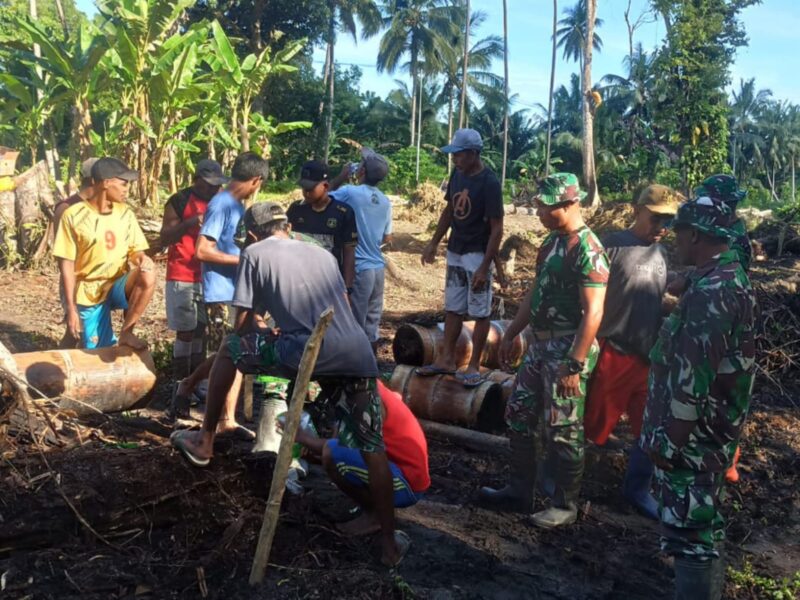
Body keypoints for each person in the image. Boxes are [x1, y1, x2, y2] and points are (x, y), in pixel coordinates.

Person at [171, 202, 409, 566]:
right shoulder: (322, 254)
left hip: (307, 351)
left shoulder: (254, 254)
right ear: (288, 227)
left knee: (230, 349)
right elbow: (337, 307)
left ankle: (205, 439)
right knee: (372, 446)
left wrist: (264, 332)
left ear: (252, 234)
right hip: (358, 353)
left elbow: (242, 325)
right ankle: (389, 543)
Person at [640, 195, 755, 600]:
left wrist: (669, 442)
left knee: (689, 537)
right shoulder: (723, 277)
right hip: (708, 433)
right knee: (703, 528)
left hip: (693, 440)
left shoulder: (712, 293)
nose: (674, 239)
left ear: (694, 235)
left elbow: (693, 379)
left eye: (679, 232)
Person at [479, 173, 608, 529]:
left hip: (569, 346)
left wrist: (574, 364)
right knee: (518, 414)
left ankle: (565, 505)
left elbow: (594, 312)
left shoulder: (588, 250)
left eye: (545, 207)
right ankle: (520, 489)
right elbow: (536, 291)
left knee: (564, 427)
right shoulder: (551, 243)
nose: (539, 212)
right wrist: (512, 333)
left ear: (570, 204)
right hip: (540, 344)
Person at [583, 184, 683, 520]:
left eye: (668, 221)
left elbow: (655, 296)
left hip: (647, 357)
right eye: (656, 219)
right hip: (614, 352)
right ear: (636, 210)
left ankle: (638, 490)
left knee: (649, 429)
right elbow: (589, 296)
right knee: (594, 427)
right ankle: (577, 486)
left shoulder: (661, 254)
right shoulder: (612, 245)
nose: (662, 227)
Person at [173, 152, 267, 435]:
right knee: (229, 353)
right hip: (221, 292)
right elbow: (202, 250)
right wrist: (245, 260)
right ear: (256, 180)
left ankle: (222, 413)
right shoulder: (222, 204)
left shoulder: (236, 205)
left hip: (237, 290)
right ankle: (213, 413)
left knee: (236, 351)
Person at [666, 174, 751, 485]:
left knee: (719, 391)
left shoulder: (732, 244)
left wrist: (671, 441)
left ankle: (725, 464)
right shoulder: (728, 235)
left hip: (720, 325)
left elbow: (696, 374)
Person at [287, 380, 429, 537]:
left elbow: (337, 448)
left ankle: (375, 517)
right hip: (399, 471)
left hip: (407, 484)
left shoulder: (363, 399)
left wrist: (302, 437)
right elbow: (341, 445)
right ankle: (373, 509)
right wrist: (319, 457)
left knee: (331, 452)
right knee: (332, 453)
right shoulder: (362, 387)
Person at [418, 128, 504, 387]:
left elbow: (497, 228)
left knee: (479, 311)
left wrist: (485, 266)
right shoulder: (457, 175)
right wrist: (434, 242)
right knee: (453, 307)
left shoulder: (489, 183)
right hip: (455, 251)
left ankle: (474, 364)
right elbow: (449, 211)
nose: (454, 159)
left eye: (459, 154)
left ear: (473, 153)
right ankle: (446, 359)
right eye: (453, 154)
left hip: (477, 254)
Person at [53, 157, 155, 350]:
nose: (127, 190)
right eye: (123, 184)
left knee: (148, 274)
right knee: (96, 350)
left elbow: (136, 250)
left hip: (116, 284)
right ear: (106, 183)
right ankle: (58, 363)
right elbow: (66, 264)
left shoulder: (125, 213)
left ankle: (127, 333)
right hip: (88, 291)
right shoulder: (72, 214)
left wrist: (142, 258)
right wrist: (71, 308)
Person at [160, 159, 228, 415]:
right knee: (185, 332)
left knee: (202, 331)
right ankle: (179, 387)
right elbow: (165, 237)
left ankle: (196, 383)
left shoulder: (221, 201)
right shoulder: (179, 201)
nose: (213, 189)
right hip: (183, 273)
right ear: (197, 179)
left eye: (216, 185)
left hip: (210, 275)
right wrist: (189, 223)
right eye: (208, 184)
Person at [330, 148, 393, 351]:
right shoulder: (386, 201)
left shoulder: (350, 192)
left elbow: (322, 194)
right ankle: (372, 365)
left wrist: (342, 176)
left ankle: (355, 365)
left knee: (355, 321)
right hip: (378, 268)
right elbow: (387, 237)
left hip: (359, 268)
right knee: (372, 324)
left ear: (362, 171)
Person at [288, 160, 357, 292]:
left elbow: (349, 251)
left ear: (325, 186)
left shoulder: (343, 212)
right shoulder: (295, 210)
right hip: (299, 281)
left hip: (330, 282)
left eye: (310, 189)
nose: (306, 193)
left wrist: (348, 287)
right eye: (304, 188)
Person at [54, 157, 98, 348]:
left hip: (97, 278)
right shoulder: (67, 208)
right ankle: (56, 363)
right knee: (76, 332)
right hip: (75, 277)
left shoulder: (102, 206)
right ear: (95, 180)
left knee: (88, 332)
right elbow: (63, 253)